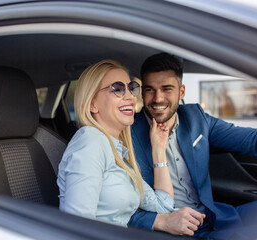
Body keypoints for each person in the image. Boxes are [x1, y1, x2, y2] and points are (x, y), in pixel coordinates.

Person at [128, 52, 257, 238]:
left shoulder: (196, 118)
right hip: (173, 231)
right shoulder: (127, 132)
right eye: (150, 90)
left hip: (214, 217)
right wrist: (159, 222)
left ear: (181, 92)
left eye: (167, 89)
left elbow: (255, 140)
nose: (158, 98)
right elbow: (113, 207)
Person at [57, 60, 186, 227]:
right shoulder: (90, 142)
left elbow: (163, 205)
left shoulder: (118, 151)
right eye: (117, 89)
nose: (131, 96)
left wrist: (159, 149)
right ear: (92, 104)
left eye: (131, 87)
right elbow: (77, 228)